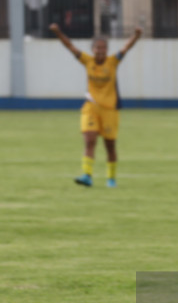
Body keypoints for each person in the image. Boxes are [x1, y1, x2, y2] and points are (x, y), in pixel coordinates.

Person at [49, 23, 142, 188]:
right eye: (97, 48)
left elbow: (126, 47)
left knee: (110, 146)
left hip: (110, 110)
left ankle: (111, 178)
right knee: (89, 140)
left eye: (103, 48)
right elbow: (70, 46)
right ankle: (87, 175)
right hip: (91, 107)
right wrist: (58, 33)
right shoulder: (87, 61)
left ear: (107, 49)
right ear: (93, 49)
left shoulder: (113, 62)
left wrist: (136, 35)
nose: (100, 51)